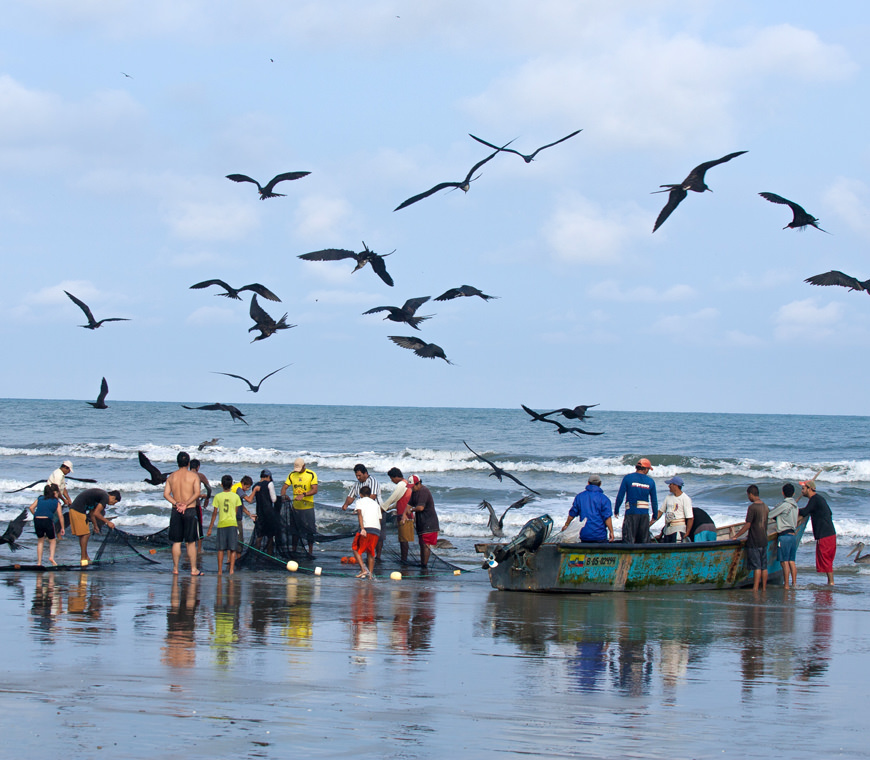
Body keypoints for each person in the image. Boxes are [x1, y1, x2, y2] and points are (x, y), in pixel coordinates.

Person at [163, 451, 204, 576]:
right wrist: (186, 504)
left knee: (176, 541)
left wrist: (177, 504)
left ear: (177, 462)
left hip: (176, 510)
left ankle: (175, 568)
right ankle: (193, 569)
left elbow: (166, 494)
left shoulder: (171, 477)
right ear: (188, 463)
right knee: (190, 542)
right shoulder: (193, 476)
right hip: (189, 509)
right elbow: (197, 493)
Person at [799, 479, 836, 586]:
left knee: (826, 559)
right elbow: (829, 512)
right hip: (829, 533)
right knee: (827, 559)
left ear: (809, 489)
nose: (802, 491)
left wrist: (793, 509)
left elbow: (805, 511)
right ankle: (830, 582)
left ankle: (831, 582)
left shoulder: (814, 499)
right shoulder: (819, 499)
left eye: (803, 489)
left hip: (825, 534)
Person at [68, 487, 120, 563]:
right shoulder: (105, 497)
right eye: (114, 502)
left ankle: (86, 557)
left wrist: (95, 525)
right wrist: (107, 522)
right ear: (113, 497)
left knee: (83, 535)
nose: (112, 504)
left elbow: (92, 513)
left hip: (77, 510)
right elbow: (97, 513)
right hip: (77, 510)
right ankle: (83, 559)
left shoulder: (99, 497)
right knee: (85, 534)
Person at [733, 484, 769, 591]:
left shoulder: (752, 508)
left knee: (757, 566)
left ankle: (755, 587)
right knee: (764, 566)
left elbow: (748, 525)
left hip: (755, 540)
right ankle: (763, 589)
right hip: (764, 540)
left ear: (751, 494)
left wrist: (736, 536)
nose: (748, 498)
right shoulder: (766, 507)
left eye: (748, 495)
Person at [280, 458, 319, 558]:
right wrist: (284, 496)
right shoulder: (292, 474)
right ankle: (293, 550)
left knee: (310, 529)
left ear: (304, 466)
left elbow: (315, 490)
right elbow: (284, 487)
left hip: (308, 507)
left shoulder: (311, 474)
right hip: (295, 508)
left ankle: (310, 551)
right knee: (295, 530)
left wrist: (304, 494)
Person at [614, 458, 658, 544]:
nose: (648, 471)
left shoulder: (628, 478)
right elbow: (654, 501)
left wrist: (616, 510)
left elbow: (620, 496)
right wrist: (655, 515)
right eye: (648, 469)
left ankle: (628, 557)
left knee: (628, 540)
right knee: (644, 541)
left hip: (631, 513)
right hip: (644, 515)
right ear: (645, 469)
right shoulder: (651, 481)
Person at [562, 475, 614, 542]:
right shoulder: (604, 499)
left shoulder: (579, 497)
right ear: (600, 484)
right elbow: (607, 517)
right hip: (600, 535)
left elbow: (572, 514)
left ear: (588, 483)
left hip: (584, 535)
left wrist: (566, 525)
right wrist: (611, 532)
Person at [207, 475, 242, 575]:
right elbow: (236, 512)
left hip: (221, 524)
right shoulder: (235, 496)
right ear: (231, 485)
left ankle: (219, 571)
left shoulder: (218, 496)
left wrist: (210, 528)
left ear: (222, 485)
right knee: (233, 548)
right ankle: (231, 570)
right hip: (232, 524)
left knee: (221, 549)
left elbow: (214, 513)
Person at [768, 483, 799, 588]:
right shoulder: (795, 506)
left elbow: (770, 515)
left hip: (784, 536)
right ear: (793, 493)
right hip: (793, 535)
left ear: (782, 493)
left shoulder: (784, 505)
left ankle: (786, 585)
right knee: (791, 561)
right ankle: (794, 583)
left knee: (784, 562)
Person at [406, 475, 439, 569]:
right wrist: (404, 515)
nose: (411, 489)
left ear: (419, 483)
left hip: (429, 522)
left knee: (425, 544)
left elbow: (420, 508)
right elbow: (409, 504)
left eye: (412, 486)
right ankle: (423, 563)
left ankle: (424, 565)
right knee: (422, 544)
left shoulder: (423, 491)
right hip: (421, 522)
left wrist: (411, 510)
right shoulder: (414, 492)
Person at [380, 467, 414, 561]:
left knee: (404, 540)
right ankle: (404, 558)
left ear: (395, 477)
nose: (392, 481)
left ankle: (404, 559)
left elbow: (393, 497)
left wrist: (383, 507)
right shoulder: (406, 484)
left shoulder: (402, 484)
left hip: (404, 516)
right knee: (403, 539)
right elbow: (398, 501)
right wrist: (388, 508)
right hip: (405, 514)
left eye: (391, 478)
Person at [29, 484, 64, 566]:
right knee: (52, 540)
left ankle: (39, 562)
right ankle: (51, 557)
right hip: (47, 520)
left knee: (40, 541)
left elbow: (31, 508)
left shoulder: (40, 498)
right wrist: (62, 527)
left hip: (37, 519)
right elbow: (60, 516)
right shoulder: (56, 501)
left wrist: (35, 515)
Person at [351, 485, 381, 579]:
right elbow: (379, 518)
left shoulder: (359, 501)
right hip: (376, 529)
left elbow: (359, 513)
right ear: (369, 494)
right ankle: (370, 575)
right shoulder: (376, 504)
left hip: (366, 528)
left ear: (360, 494)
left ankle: (363, 569)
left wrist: (362, 528)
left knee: (355, 548)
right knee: (371, 552)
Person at [655, 476, 693, 543]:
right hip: (667, 530)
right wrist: (650, 522)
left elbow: (690, 518)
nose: (669, 486)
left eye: (670, 484)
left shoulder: (685, 498)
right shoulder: (668, 497)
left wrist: (687, 533)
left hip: (678, 530)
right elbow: (660, 512)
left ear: (675, 485)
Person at [251, 469, 279, 554]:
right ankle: (269, 556)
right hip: (269, 514)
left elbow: (254, 500)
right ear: (268, 477)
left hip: (259, 513)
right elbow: (274, 499)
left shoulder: (255, 486)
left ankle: (256, 556)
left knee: (259, 536)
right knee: (270, 536)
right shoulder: (269, 484)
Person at [189, 458, 212, 555]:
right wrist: (207, 498)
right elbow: (209, 488)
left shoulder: (184, 475)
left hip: (185, 505)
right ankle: (198, 550)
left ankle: (188, 551)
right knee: (199, 528)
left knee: (188, 528)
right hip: (196, 504)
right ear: (198, 467)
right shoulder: (200, 476)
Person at [231, 475, 256, 557]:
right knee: (239, 539)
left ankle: (230, 559)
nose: (247, 489)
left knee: (231, 539)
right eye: (247, 487)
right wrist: (255, 491)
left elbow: (241, 505)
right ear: (243, 484)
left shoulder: (236, 488)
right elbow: (249, 500)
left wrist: (249, 514)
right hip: (235, 518)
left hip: (230, 517)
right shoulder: (239, 489)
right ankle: (238, 559)